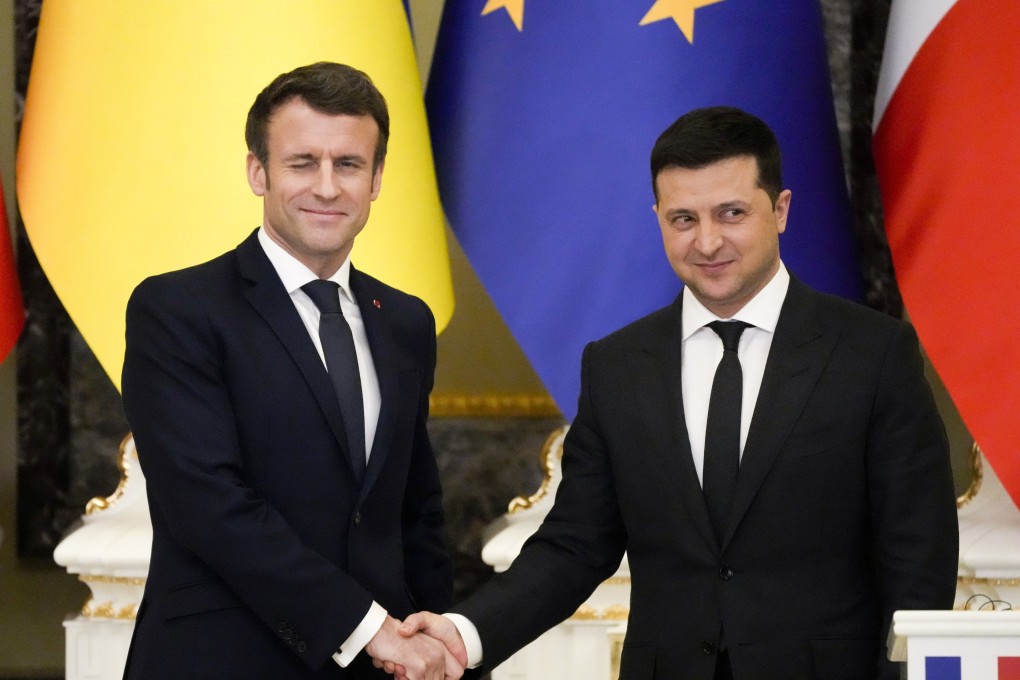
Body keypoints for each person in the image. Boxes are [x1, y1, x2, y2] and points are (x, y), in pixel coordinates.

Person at [396, 106, 959, 680]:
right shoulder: (617, 366)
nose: (708, 241)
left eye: (731, 213)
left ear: (781, 210)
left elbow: (918, 560)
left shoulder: (873, 353)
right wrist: (465, 635)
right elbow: (574, 547)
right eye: (683, 218)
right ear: (658, 219)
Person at [121, 62, 462, 680]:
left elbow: (416, 512)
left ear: (377, 178)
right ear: (258, 171)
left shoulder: (406, 321)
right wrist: (370, 631)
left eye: (349, 165)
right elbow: (208, 506)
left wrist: (440, 647)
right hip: (223, 660)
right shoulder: (177, 309)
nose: (327, 188)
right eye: (303, 163)